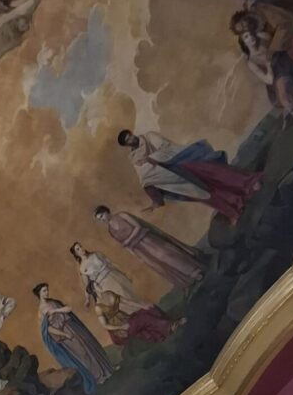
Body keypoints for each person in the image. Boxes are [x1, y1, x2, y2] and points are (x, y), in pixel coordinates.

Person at [117, 128, 260, 224]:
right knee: (202, 194)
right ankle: (233, 209)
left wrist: (152, 158)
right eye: (127, 140)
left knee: (215, 174)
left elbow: (165, 146)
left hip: (181, 161)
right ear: (126, 145)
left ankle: (248, 183)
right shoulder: (134, 157)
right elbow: (143, 174)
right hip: (170, 176)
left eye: (130, 136)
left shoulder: (148, 137)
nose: (131, 139)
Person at [93, 204, 206, 291]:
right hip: (139, 250)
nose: (102, 219)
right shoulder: (110, 231)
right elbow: (126, 247)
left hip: (146, 239)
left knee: (165, 255)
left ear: (106, 212)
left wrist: (128, 240)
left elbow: (137, 227)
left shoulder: (122, 215)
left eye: (101, 216)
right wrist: (137, 256)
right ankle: (185, 281)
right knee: (158, 265)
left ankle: (194, 271)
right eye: (99, 219)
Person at [34, 283, 110, 393]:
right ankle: (96, 377)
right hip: (63, 335)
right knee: (81, 354)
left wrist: (55, 311)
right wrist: (64, 334)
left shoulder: (53, 302)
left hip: (71, 327)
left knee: (87, 348)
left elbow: (68, 308)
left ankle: (103, 372)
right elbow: (48, 329)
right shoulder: (41, 311)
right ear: (39, 294)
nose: (47, 293)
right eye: (44, 291)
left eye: (47, 290)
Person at [68, 241, 148, 312]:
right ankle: (139, 313)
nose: (81, 249)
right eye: (78, 249)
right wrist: (87, 299)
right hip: (105, 284)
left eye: (81, 246)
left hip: (113, 275)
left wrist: (123, 273)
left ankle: (146, 310)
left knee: (128, 292)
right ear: (76, 254)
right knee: (121, 299)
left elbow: (110, 263)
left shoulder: (96, 254)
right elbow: (87, 286)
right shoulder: (82, 268)